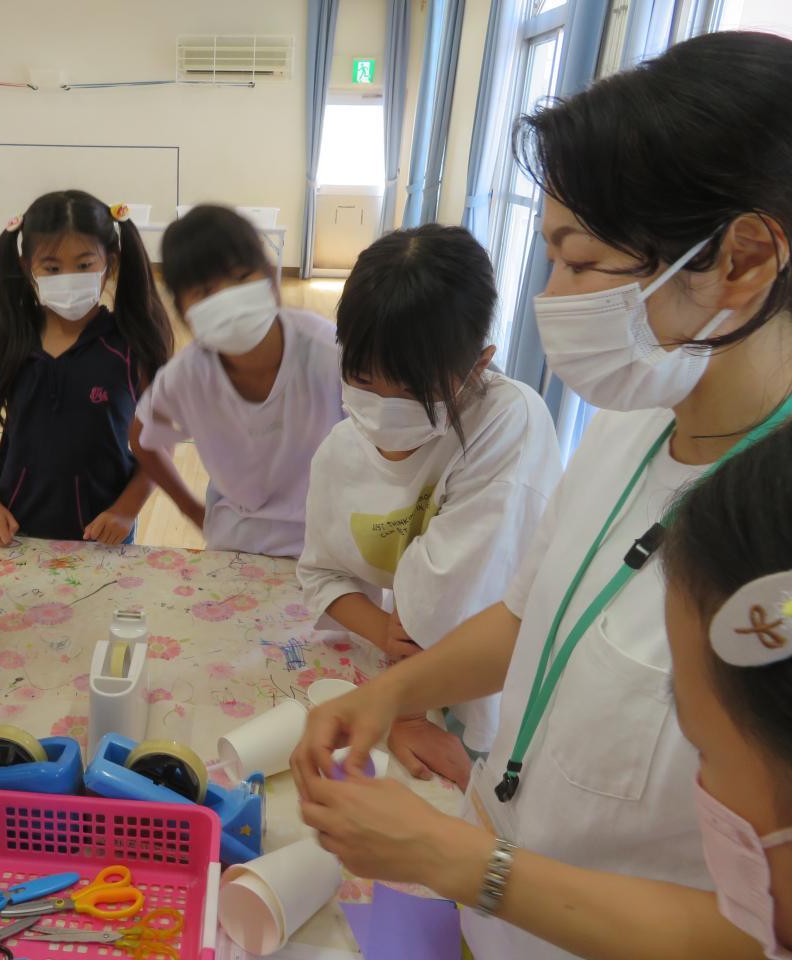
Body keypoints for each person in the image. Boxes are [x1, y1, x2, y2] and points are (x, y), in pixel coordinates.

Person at [291, 30, 792, 960]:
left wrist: (469, 865)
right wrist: (393, 693)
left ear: (744, 259)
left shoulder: (769, 542)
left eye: (583, 263)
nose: (550, 298)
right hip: (493, 913)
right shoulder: (635, 423)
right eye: (549, 258)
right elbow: (531, 615)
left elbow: (764, 932)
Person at [292, 421, 792, 960]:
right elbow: (534, 618)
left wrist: (450, 857)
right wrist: (390, 695)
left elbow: (749, 934)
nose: (704, 783)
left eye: (703, 749)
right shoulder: (629, 432)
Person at [297, 225, 560, 770]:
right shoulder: (340, 451)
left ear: (478, 366)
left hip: (487, 684)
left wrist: (408, 713)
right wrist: (386, 635)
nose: (383, 404)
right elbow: (322, 573)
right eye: (362, 378)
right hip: (408, 680)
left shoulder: (509, 421)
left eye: (413, 389)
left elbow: (452, 594)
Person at [129, 204, 342, 558]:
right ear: (183, 311)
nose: (228, 299)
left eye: (242, 277)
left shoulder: (328, 353)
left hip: (330, 542)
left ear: (271, 279)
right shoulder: (188, 375)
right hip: (237, 544)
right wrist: (190, 508)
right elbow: (142, 437)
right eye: (205, 291)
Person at [0, 191, 173, 546]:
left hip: (104, 531)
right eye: (52, 268)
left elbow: (158, 444)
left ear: (110, 263)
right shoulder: (9, 340)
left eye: (83, 265)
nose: (68, 277)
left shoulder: (131, 347)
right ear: (26, 267)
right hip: (13, 527)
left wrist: (125, 511)